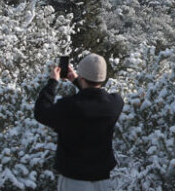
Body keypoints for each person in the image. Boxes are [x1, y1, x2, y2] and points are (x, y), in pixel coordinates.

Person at [34, 53, 124, 190]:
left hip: (74, 180)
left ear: (82, 76)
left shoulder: (69, 106)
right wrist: (78, 81)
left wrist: (52, 82)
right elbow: (96, 98)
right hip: (103, 180)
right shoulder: (115, 104)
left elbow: (41, 113)